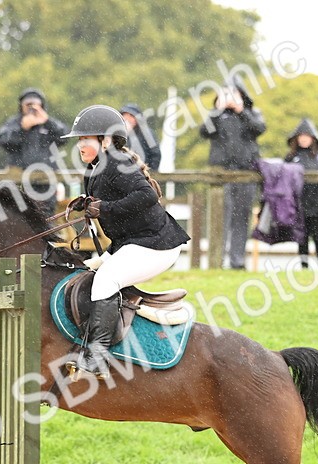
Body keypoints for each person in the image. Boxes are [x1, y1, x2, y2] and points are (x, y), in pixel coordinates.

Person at [61, 105, 190, 378]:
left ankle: (98, 357)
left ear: (105, 140)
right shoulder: (94, 170)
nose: (80, 146)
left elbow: (147, 196)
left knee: (106, 279)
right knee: (86, 269)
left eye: (85, 139)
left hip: (156, 245)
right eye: (79, 140)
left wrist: (104, 208)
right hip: (131, 243)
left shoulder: (117, 162)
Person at [199, 80, 265, 270]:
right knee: (220, 218)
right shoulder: (217, 117)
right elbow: (204, 132)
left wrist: (241, 110)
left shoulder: (252, 114)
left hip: (246, 174)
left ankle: (237, 262)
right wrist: (217, 111)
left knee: (241, 219)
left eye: (233, 94)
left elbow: (259, 129)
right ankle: (216, 261)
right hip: (221, 175)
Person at [0, 88, 69, 217]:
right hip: (19, 180)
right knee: (20, 216)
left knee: (46, 217)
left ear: (42, 106)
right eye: (28, 105)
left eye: (35, 105)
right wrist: (22, 129)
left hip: (45, 180)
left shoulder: (48, 123)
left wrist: (47, 121)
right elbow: (2, 140)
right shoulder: (14, 123)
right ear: (21, 106)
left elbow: (64, 136)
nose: (31, 108)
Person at [284, 119, 318, 267]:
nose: (304, 139)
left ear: (313, 138)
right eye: (301, 136)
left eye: (307, 136)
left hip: (317, 203)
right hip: (299, 203)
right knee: (302, 237)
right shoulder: (291, 157)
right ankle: (304, 266)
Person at [119, 103, 162, 171]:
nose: (127, 119)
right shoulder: (118, 133)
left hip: (143, 174)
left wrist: (149, 173)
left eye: (131, 116)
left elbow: (155, 154)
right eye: (125, 115)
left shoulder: (147, 133)